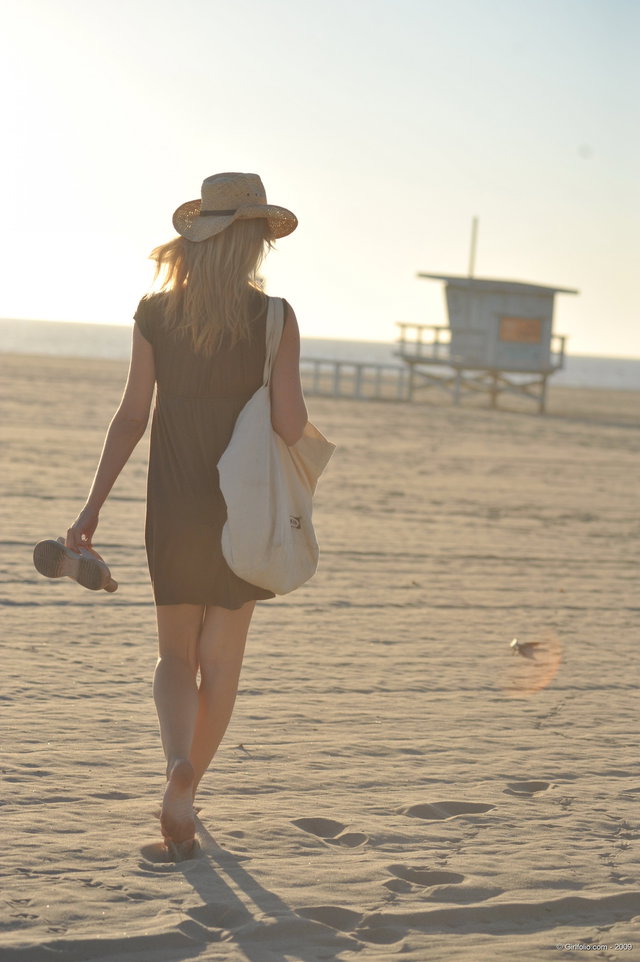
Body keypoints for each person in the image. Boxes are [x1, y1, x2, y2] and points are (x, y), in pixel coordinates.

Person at [66, 173, 307, 855]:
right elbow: (290, 425)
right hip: (243, 504)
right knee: (220, 663)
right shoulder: (275, 317)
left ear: (200, 235)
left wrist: (90, 509)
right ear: (254, 240)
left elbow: (130, 418)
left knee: (174, 653)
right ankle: (186, 789)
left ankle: (175, 759)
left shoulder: (154, 312)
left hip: (172, 500)